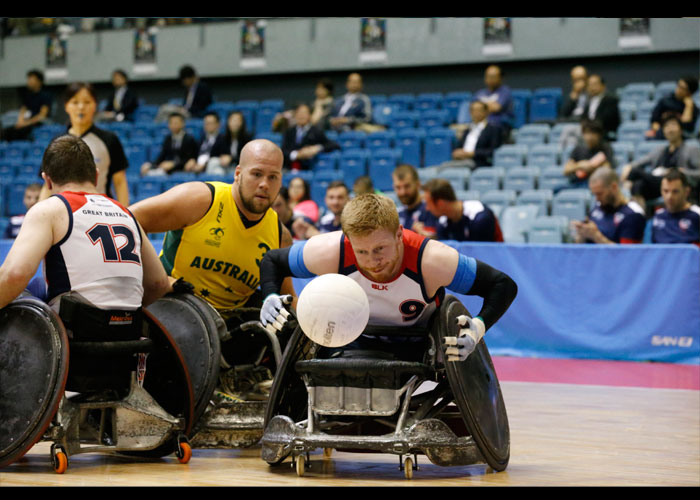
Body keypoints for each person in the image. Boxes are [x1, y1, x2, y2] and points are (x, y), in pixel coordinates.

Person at [259, 193, 518, 363]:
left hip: (418, 343)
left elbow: (502, 285)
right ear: (349, 241)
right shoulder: (330, 250)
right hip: (351, 337)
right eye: (362, 251)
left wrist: (479, 327)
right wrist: (269, 296)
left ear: (398, 235)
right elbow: (273, 260)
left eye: (379, 249)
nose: (372, 261)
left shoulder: (431, 259)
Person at [130, 140, 295, 395]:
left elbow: (288, 300)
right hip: (174, 311)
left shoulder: (279, 235)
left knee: (286, 327)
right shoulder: (201, 199)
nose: (264, 184)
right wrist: (159, 279)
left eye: (273, 177)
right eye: (257, 174)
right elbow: (128, 220)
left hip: (230, 329)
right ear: (238, 174)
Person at [0, 135, 169, 312]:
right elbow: (159, 283)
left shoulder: (49, 209)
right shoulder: (127, 213)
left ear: (47, 180)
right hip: (131, 330)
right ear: (96, 176)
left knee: (31, 287)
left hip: (75, 331)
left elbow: (14, 275)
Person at [39, 82, 129, 206]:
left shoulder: (110, 140)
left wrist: (126, 214)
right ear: (66, 106)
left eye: (87, 102)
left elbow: (120, 182)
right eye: (75, 102)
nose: (81, 107)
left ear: (95, 105)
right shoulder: (56, 143)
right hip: (65, 212)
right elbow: (47, 186)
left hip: (101, 210)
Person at [621, 113, 700, 206]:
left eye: (673, 125)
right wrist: (629, 166)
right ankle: (638, 213)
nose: (670, 129)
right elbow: (642, 161)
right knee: (638, 184)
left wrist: (683, 172)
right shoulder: (660, 150)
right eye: (666, 126)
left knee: (636, 172)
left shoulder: (691, 149)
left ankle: (630, 205)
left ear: (681, 130)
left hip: (676, 183)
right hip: (658, 184)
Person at [571, 167, 646, 245]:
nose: (597, 198)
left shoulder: (632, 214)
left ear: (614, 187)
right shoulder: (598, 206)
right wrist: (582, 233)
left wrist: (596, 236)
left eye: (600, 194)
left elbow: (627, 254)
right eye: (594, 194)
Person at [422, 178, 504, 242]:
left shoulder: (480, 217)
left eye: (428, 204)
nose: (427, 208)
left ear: (440, 203)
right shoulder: (442, 223)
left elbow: (483, 255)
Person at [281, 103, 340, 170]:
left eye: (304, 113)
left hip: (309, 168)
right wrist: (296, 155)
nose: (301, 116)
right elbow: (283, 150)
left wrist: (317, 148)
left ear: (310, 115)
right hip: (289, 167)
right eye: (299, 113)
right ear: (295, 115)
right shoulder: (289, 131)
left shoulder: (316, 131)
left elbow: (333, 145)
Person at [651, 169, 700, 246]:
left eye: (675, 191)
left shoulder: (697, 215)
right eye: (666, 191)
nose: (669, 196)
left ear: (686, 192)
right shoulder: (658, 216)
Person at [0, 69, 52, 142]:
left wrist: (25, 124)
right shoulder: (28, 95)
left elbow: (42, 115)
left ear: (39, 81)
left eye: (31, 80)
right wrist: (20, 121)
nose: (29, 82)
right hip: (26, 122)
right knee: (7, 131)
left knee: (21, 132)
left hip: (37, 123)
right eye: (28, 79)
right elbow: (23, 110)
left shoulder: (46, 95)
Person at [140, 112, 199, 176]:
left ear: (182, 124)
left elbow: (191, 158)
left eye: (176, 123)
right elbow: (161, 156)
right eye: (171, 123)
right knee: (147, 172)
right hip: (167, 170)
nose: (173, 125)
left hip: (183, 169)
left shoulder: (189, 139)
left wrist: (174, 164)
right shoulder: (168, 139)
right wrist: (150, 165)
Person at [392, 164, 439, 238]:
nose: (403, 192)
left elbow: (441, 240)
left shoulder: (430, 209)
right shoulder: (396, 214)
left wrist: (425, 237)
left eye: (407, 186)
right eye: (398, 187)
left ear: (418, 184)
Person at [562, 119, 615, 186]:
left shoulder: (606, 149)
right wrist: (580, 165)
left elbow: (608, 170)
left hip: (596, 184)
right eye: (587, 133)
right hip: (575, 183)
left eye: (593, 133)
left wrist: (591, 168)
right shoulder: (578, 149)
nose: (590, 137)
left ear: (599, 135)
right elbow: (566, 170)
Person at [451, 100, 502, 168]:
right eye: (472, 110)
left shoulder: (492, 129)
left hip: (479, 162)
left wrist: (473, 154)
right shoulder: (467, 130)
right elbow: (459, 147)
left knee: (444, 168)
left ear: (486, 112)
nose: (475, 113)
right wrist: (457, 153)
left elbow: (493, 151)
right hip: (462, 161)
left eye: (478, 110)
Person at [473, 65, 514, 140]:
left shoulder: (505, 92)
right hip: (480, 125)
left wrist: (481, 107)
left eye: (493, 76)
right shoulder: (480, 93)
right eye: (488, 76)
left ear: (500, 78)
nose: (491, 79)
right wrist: (489, 106)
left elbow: (496, 108)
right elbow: (473, 108)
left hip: (498, 126)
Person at [207, 111, 253, 175]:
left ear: (242, 123)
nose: (235, 123)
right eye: (232, 120)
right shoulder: (222, 138)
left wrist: (231, 159)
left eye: (237, 121)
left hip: (238, 167)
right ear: (228, 122)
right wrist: (221, 158)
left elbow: (248, 158)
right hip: (223, 167)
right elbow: (212, 154)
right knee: (213, 163)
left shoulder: (247, 138)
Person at [581, 74, 620, 141]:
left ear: (603, 86)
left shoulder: (611, 100)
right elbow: (583, 118)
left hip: (604, 133)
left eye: (595, 84)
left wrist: (590, 127)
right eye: (590, 85)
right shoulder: (589, 102)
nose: (592, 87)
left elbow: (606, 120)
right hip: (588, 132)